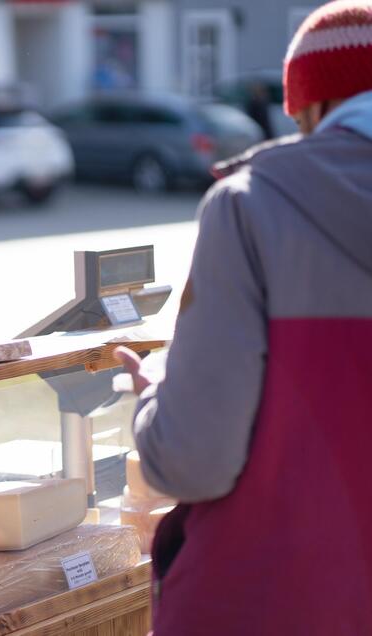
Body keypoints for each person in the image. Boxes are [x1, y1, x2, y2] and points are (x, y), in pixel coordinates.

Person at [114, 2, 372, 633]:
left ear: (309, 107)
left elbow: (195, 461)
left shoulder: (251, 205)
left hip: (280, 600)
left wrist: (154, 403)